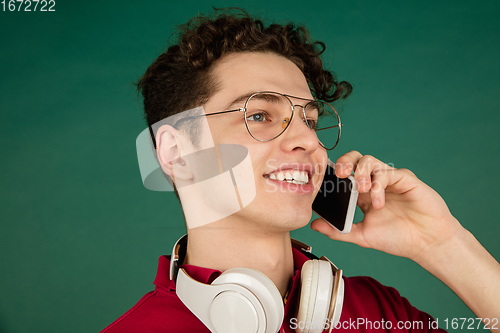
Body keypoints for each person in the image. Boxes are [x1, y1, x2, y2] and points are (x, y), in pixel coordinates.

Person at [101, 8, 500, 333]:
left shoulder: (380, 313)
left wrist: (443, 245)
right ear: (177, 153)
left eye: (309, 120)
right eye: (259, 114)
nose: (308, 142)